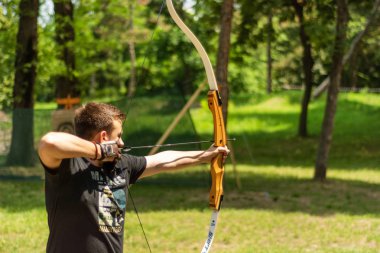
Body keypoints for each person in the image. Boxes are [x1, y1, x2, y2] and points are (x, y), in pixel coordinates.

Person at [38, 102, 229, 253]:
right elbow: (49, 143)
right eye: (118, 136)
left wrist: (204, 156)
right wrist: (100, 151)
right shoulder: (68, 166)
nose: (122, 142)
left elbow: (163, 161)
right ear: (104, 137)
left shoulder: (122, 165)